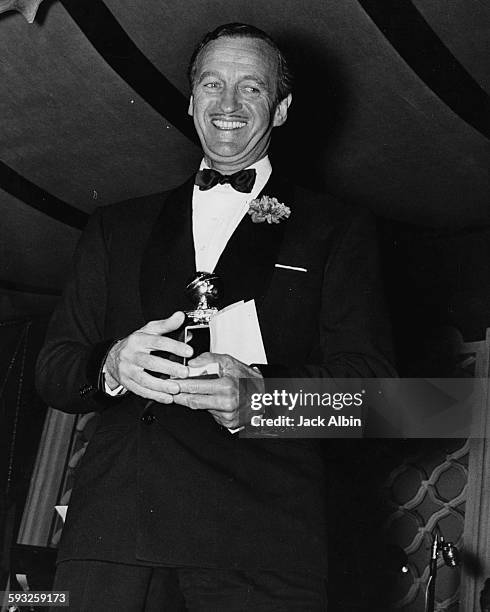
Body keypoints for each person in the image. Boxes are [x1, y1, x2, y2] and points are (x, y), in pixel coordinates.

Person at [36, 22, 394, 611]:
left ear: (280, 110)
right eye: (211, 84)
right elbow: (53, 369)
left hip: (262, 544)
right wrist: (111, 364)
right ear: (191, 100)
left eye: (251, 89)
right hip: (114, 539)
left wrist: (262, 400)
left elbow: (379, 399)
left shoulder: (338, 230)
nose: (227, 104)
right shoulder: (114, 227)